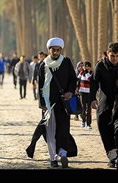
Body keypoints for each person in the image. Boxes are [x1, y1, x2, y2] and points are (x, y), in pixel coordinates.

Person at [38, 37, 77, 168]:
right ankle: (53, 158)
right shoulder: (43, 65)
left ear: (61, 50)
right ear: (49, 50)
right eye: (53, 50)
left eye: (57, 50)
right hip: (49, 104)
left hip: (63, 103)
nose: (55, 52)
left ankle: (63, 154)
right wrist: (42, 104)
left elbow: (73, 79)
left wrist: (70, 92)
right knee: (49, 131)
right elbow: (40, 86)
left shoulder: (66, 62)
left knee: (64, 129)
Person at [77, 61, 93, 129]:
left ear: (89, 67)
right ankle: (83, 121)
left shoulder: (91, 73)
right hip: (82, 92)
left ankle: (88, 124)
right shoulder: (81, 73)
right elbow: (78, 79)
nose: (86, 67)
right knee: (83, 107)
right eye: (85, 66)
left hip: (89, 93)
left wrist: (86, 72)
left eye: (87, 66)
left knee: (88, 108)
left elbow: (89, 79)